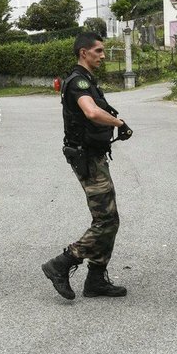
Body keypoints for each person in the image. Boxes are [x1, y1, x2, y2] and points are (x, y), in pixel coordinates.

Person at [42, 32, 132, 300]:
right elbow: (91, 112)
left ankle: (95, 280)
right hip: (88, 159)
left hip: (94, 155)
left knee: (109, 220)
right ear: (84, 52)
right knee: (106, 220)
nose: (103, 56)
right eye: (99, 51)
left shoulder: (86, 80)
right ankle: (62, 262)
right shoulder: (78, 82)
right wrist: (119, 123)